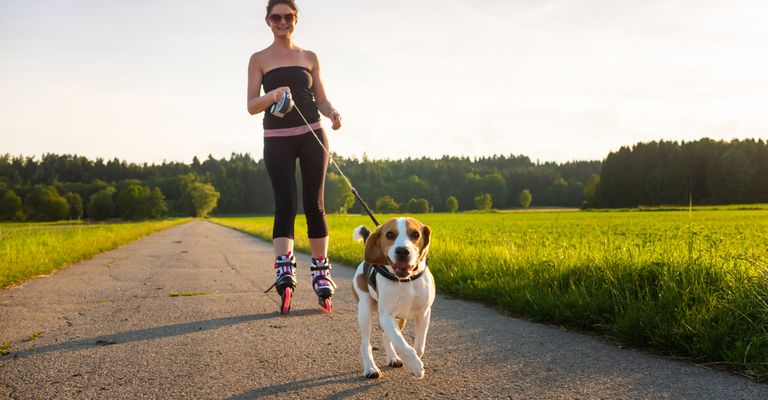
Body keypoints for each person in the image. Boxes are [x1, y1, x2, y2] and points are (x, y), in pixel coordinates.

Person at [247, 0, 342, 313]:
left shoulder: (309, 57)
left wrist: (333, 114)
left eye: (288, 16)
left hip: (312, 135)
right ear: (268, 21)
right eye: (276, 17)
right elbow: (251, 104)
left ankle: (320, 272)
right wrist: (272, 95)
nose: (282, 22)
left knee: (315, 204)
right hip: (277, 140)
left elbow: (322, 99)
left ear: (296, 19)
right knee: (285, 203)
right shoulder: (259, 59)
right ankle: (285, 271)